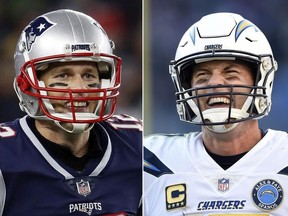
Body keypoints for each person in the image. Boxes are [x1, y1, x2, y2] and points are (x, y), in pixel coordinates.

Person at [0, 9, 142, 215]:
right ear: (28, 84)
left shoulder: (135, 145)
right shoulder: (5, 157)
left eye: (89, 75)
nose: (80, 88)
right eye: (63, 75)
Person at [144, 12, 288, 215]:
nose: (215, 83)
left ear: (260, 81)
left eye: (231, 73)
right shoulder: (152, 161)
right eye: (202, 76)